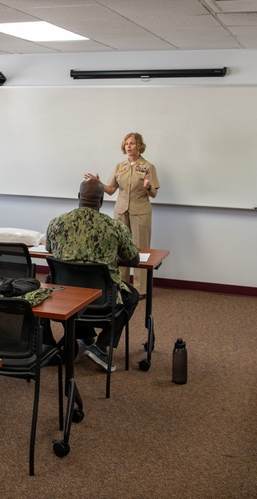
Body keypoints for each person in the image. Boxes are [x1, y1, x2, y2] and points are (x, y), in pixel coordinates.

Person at [46, 178, 140, 372]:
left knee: (54, 283)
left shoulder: (56, 223)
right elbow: (134, 259)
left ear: (79, 197)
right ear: (102, 201)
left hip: (64, 297)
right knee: (132, 297)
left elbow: (49, 249)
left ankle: (84, 335)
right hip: (102, 300)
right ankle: (100, 346)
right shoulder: (114, 227)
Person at [85, 132, 159, 297]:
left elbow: (153, 193)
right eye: (126, 144)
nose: (128, 146)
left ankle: (140, 290)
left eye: (132, 143)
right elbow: (111, 190)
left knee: (140, 250)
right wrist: (98, 182)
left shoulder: (148, 167)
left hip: (140, 211)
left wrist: (147, 186)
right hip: (121, 211)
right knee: (119, 248)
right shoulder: (120, 166)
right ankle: (122, 285)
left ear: (139, 146)